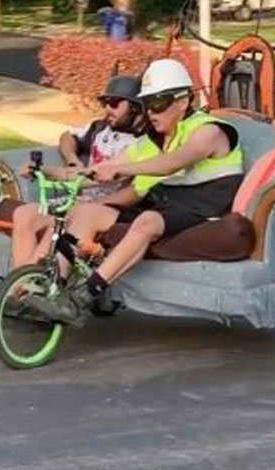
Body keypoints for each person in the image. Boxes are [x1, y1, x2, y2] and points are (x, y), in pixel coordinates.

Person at [23, 58, 245, 326]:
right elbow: (96, 172)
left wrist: (124, 169)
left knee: (147, 221)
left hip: (205, 210)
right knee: (86, 212)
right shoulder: (153, 141)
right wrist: (44, 170)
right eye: (147, 104)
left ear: (184, 101)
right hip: (167, 205)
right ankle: (52, 290)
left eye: (159, 103)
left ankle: (83, 296)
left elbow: (173, 162)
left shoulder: (209, 131)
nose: (151, 112)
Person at [0, 74, 148, 322]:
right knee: (25, 214)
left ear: (135, 107)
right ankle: (19, 291)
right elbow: (67, 137)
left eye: (114, 103)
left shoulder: (143, 143)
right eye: (105, 102)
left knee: (59, 224)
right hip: (77, 198)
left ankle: (16, 294)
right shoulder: (99, 128)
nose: (107, 108)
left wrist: (54, 172)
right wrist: (71, 158)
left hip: (105, 208)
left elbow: (99, 178)